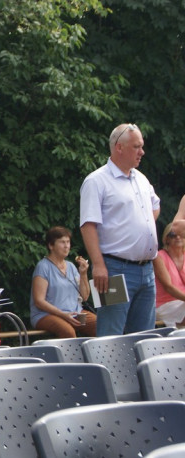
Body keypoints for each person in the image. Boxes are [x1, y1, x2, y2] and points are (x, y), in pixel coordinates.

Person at [80, 123, 160, 335]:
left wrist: (139, 226)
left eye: (142, 146)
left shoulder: (141, 178)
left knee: (145, 337)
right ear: (119, 147)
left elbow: (155, 206)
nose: (142, 152)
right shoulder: (96, 181)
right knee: (111, 336)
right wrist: (98, 264)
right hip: (112, 269)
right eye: (137, 146)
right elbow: (88, 225)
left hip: (146, 270)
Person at [30, 226, 96, 338]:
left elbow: (84, 296)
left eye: (68, 242)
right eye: (62, 242)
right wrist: (63, 315)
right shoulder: (43, 267)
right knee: (68, 331)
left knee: (100, 325)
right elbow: (39, 301)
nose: (66, 246)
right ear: (51, 246)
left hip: (74, 313)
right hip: (47, 315)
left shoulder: (71, 266)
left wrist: (83, 273)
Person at [154, 223, 185, 329]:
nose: (178, 237)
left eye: (181, 234)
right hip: (165, 304)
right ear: (166, 239)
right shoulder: (159, 257)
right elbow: (168, 287)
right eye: (172, 235)